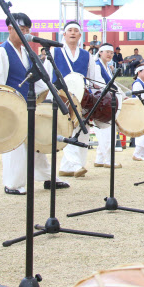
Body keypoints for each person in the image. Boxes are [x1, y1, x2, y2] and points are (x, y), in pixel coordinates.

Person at [0, 13, 68, 195]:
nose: (25, 33)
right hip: (11, 107)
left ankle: (47, 177)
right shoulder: (1, 52)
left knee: (37, 141)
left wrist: (51, 93)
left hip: (30, 105)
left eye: (27, 30)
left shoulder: (27, 52)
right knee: (15, 146)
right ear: (10, 29)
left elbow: (38, 79)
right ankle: (13, 184)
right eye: (21, 29)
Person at [50, 21, 99, 179]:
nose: (72, 33)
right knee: (68, 129)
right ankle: (76, 164)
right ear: (63, 34)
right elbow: (46, 75)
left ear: (80, 35)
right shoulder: (55, 52)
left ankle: (68, 167)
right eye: (69, 30)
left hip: (82, 98)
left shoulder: (86, 55)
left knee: (83, 131)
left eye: (76, 31)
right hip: (62, 97)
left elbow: (94, 77)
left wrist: (99, 92)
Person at [93, 43, 124, 169]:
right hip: (101, 102)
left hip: (108, 100)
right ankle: (109, 160)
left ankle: (99, 159)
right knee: (106, 130)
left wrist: (120, 92)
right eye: (107, 52)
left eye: (111, 53)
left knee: (106, 130)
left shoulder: (107, 67)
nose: (110, 55)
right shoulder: (96, 66)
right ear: (100, 52)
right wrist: (116, 92)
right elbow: (98, 84)